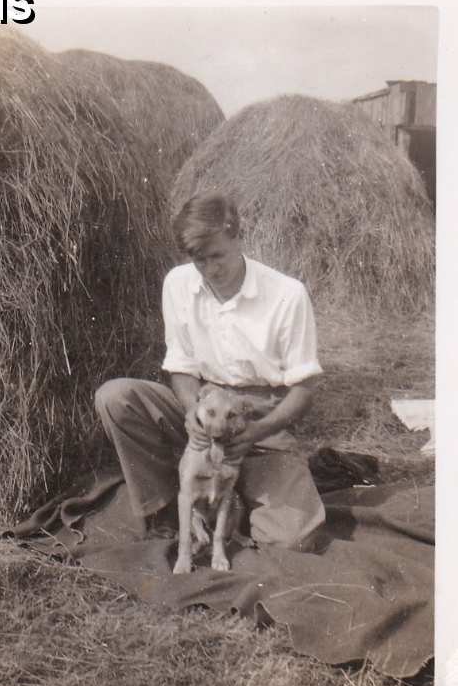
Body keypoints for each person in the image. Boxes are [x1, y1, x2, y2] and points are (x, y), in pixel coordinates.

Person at [95, 191, 325, 550]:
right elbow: (182, 367)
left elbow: (304, 388)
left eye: (217, 256)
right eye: (198, 260)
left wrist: (257, 430)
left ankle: (239, 496)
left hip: (260, 417)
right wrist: (192, 413)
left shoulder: (287, 294)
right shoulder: (178, 283)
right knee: (116, 397)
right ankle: (169, 510)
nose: (210, 270)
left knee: (294, 540)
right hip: (205, 406)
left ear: (238, 237)